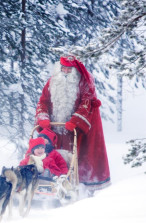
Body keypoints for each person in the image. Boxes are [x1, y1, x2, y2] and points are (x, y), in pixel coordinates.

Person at [35, 55, 110, 192]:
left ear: (74, 70)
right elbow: (43, 101)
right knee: (49, 153)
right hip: (55, 129)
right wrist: (43, 118)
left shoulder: (83, 84)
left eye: (69, 70)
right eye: (63, 68)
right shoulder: (52, 82)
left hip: (77, 130)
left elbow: (86, 104)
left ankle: (82, 185)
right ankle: (49, 181)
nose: (65, 72)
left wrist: (75, 121)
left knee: (78, 156)